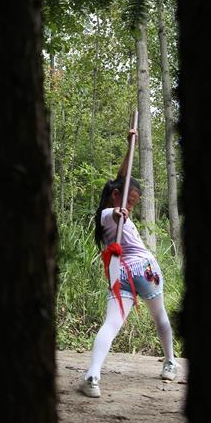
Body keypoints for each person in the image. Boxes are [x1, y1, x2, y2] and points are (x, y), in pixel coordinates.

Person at [79, 129, 177, 398]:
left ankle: (93, 375)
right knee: (159, 317)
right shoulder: (108, 214)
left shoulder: (115, 196)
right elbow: (111, 212)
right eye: (129, 203)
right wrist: (118, 211)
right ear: (116, 197)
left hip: (122, 273)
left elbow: (122, 177)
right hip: (142, 269)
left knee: (113, 324)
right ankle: (169, 361)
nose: (130, 208)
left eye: (134, 204)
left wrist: (129, 143)